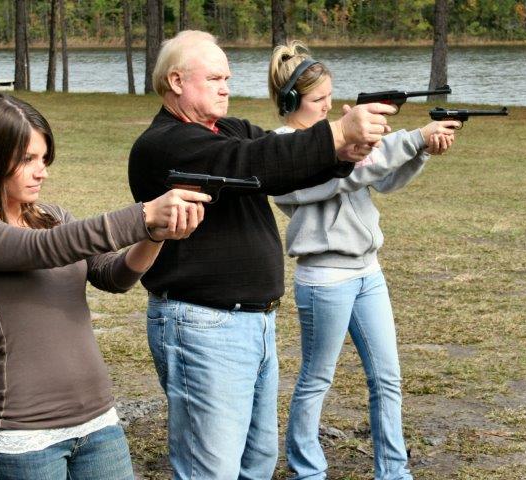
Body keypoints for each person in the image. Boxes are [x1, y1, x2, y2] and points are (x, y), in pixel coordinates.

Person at [128, 30, 397, 479]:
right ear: (176, 81)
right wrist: (333, 134)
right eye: (214, 77)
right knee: (209, 470)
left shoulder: (229, 130)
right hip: (203, 326)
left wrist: (346, 152)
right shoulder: (164, 144)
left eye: (228, 77)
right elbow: (251, 162)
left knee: (256, 463)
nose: (225, 86)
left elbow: (280, 164)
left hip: (254, 323)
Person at [0, 93, 211, 480]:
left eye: (44, 158)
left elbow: (114, 276)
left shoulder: (53, 216)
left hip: (98, 423)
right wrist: (144, 214)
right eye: (27, 159)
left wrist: (156, 234)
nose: (41, 171)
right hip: (25, 439)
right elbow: (42, 249)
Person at [268, 41, 459, 480]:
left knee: (387, 378)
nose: (330, 108)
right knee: (318, 379)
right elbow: (345, 178)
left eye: (331, 98)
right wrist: (410, 138)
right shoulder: (281, 149)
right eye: (319, 101)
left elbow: (383, 178)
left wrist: (421, 150)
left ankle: (394, 472)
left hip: (367, 271)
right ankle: (307, 470)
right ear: (291, 101)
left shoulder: (335, 136)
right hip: (325, 278)